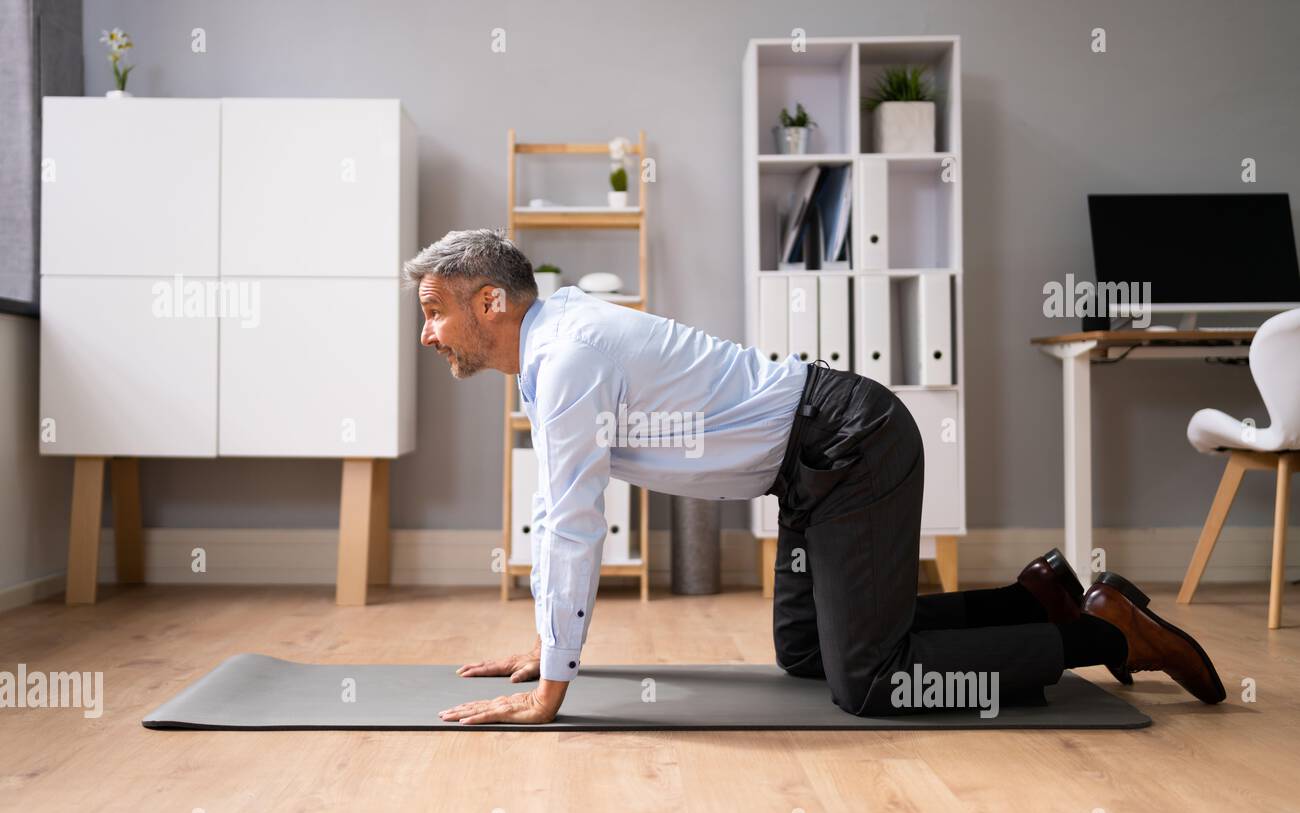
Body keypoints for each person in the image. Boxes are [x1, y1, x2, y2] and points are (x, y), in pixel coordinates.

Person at [402, 228, 1226, 725]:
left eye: (435, 309)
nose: (429, 333)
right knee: (806, 656)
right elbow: (560, 515)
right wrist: (549, 646)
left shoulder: (567, 354)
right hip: (809, 465)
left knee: (869, 683)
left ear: (490, 304)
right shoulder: (551, 352)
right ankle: (1034, 600)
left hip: (849, 446)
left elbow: (573, 520)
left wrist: (554, 685)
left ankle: (1108, 633)